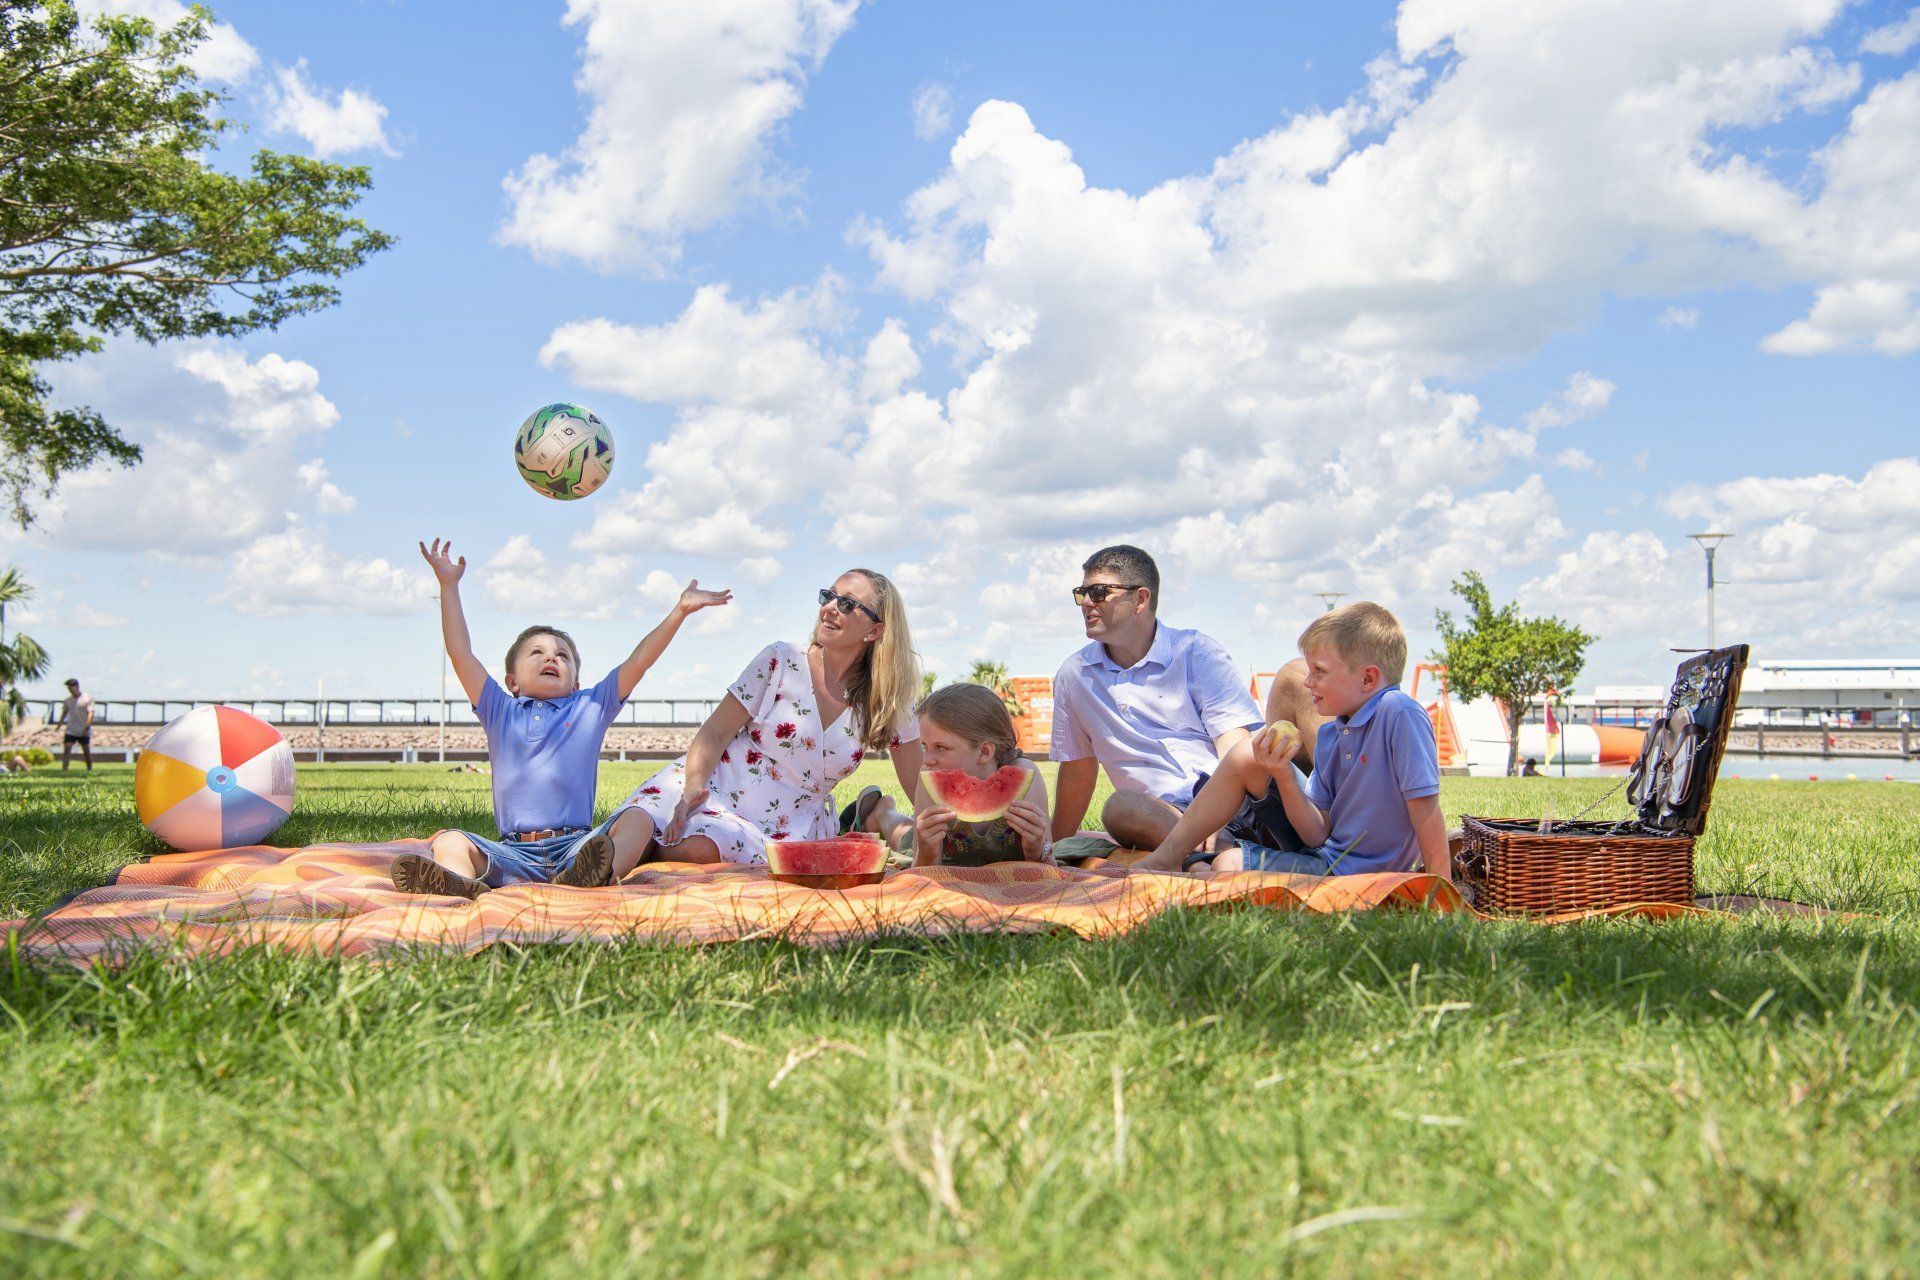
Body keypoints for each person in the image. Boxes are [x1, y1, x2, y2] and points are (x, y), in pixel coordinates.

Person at [390, 537, 731, 898]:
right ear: (512, 682)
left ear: (577, 682)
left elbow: (639, 660)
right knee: (451, 840)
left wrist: (678, 611)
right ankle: (459, 883)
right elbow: (460, 653)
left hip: (579, 849)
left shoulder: (591, 706)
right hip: (511, 851)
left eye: (562, 655)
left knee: (639, 817)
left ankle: (597, 876)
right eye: (536, 652)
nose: (551, 658)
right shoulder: (498, 709)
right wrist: (449, 587)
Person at [622, 570, 925, 864]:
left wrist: (952, 834)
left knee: (698, 849)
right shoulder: (780, 659)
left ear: (874, 630)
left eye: (847, 604)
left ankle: (877, 814)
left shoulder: (888, 699)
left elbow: (917, 782)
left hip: (786, 825)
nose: (830, 608)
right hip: (714, 783)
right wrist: (691, 791)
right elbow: (715, 732)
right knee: (643, 818)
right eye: (828, 596)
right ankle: (596, 866)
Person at [1132, 602, 1450, 878]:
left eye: (1319, 672)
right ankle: (1169, 857)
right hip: (1326, 860)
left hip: (1355, 875)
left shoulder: (1399, 713)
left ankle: (1187, 861)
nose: (1307, 682)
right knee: (1246, 758)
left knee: (1227, 866)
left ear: (1368, 678)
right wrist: (1283, 775)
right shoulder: (1330, 734)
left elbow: (1425, 809)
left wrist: (1440, 888)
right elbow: (1316, 834)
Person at [1047, 544, 1310, 859]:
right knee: (1121, 807)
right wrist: (1052, 849)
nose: (1086, 602)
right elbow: (1077, 772)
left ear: (1140, 599)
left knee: (1297, 678)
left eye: (1100, 592)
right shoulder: (1073, 676)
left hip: (1238, 796)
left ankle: (1339, 831)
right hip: (1167, 815)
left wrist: (1214, 810)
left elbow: (1233, 743)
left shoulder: (1196, 651)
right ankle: (1230, 858)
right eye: (1082, 593)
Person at [848, 682, 1053, 866]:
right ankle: (881, 813)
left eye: (941, 747)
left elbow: (1048, 867)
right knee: (903, 836)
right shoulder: (929, 774)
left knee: (906, 831)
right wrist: (927, 851)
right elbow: (923, 868)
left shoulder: (1027, 776)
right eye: (924, 746)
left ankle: (884, 812)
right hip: (934, 850)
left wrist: (1036, 849)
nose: (927, 759)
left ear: (984, 751)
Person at [58, 678, 94, 772]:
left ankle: (89, 769)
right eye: (68, 688)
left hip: (83, 729)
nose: (69, 690)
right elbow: (64, 713)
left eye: (71, 688)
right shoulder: (68, 700)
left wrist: (87, 726)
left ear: (76, 686)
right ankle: (64, 770)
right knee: (67, 749)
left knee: (86, 750)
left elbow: (90, 713)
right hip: (71, 730)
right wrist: (59, 725)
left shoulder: (87, 698)